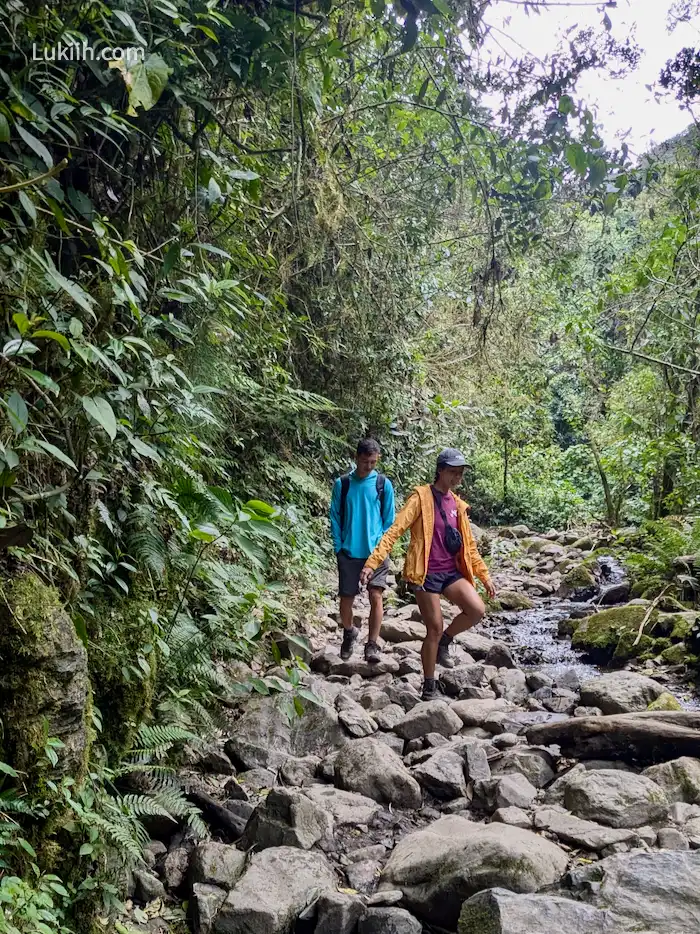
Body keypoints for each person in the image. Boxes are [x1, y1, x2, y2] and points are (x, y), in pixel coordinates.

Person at [360, 447, 496, 700]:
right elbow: (394, 531)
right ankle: (429, 684)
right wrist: (372, 562)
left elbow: (469, 546)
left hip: (451, 571)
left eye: (460, 473)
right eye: (453, 472)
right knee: (433, 627)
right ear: (440, 471)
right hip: (424, 574)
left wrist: (484, 576)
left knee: (477, 610)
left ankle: (446, 641)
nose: (457, 477)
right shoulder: (420, 498)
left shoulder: (457, 504)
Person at [330, 438, 396, 663]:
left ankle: (372, 644)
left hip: (376, 552)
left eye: (374, 462)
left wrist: (383, 548)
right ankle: (349, 632)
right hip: (349, 551)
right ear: (356, 458)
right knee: (346, 600)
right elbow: (335, 517)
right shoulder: (343, 484)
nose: (369, 466)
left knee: (376, 595)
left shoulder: (382, 484)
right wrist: (339, 547)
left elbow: (389, 521)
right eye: (366, 461)